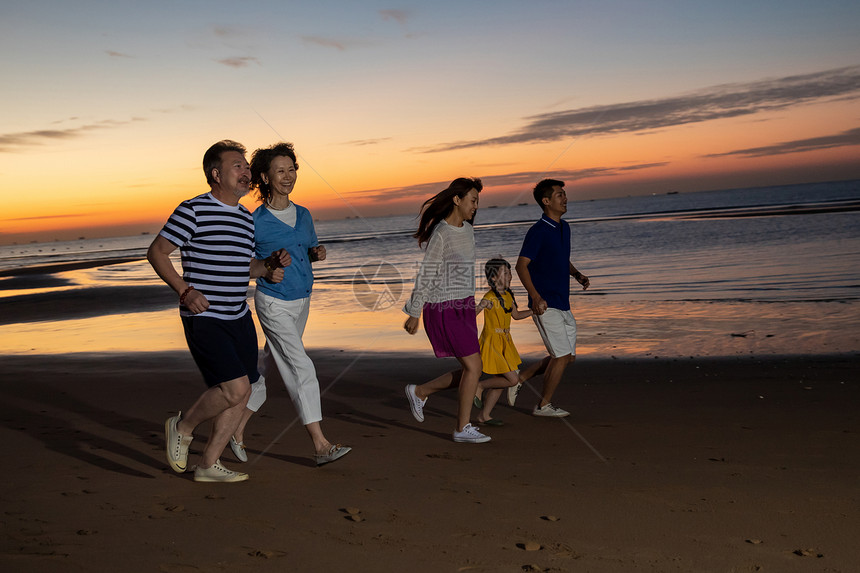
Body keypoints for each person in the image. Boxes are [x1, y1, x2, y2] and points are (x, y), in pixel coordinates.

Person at [147, 140, 288, 482]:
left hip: (238, 316)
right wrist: (185, 290)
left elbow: (244, 268)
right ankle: (183, 427)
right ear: (216, 174)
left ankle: (208, 464)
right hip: (205, 317)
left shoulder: (244, 218)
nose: (246, 171)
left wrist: (266, 266)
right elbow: (157, 253)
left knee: (247, 389)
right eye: (237, 165)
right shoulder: (193, 210)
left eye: (246, 166)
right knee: (235, 390)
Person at [229, 142, 351, 466]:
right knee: (301, 367)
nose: (288, 176)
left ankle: (235, 428)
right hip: (273, 304)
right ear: (266, 178)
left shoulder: (305, 214)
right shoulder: (256, 221)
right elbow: (243, 263)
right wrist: (269, 265)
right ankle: (321, 444)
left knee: (266, 370)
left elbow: (306, 250)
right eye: (280, 171)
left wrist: (317, 254)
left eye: (291, 169)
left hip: (302, 302)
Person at [402, 177, 491, 444]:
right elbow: (427, 274)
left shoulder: (467, 230)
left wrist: (473, 306)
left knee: (471, 368)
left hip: (463, 305)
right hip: (443, 307)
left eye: (477, 201)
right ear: (457, 199)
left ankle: (420, 391)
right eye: (473, 200)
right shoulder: (441, 233)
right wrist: (415, 311)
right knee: (474, 367)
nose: (476, 205)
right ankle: (462, 428)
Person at [515, 178, 590, 417]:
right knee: (560, 356)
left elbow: (560, 259)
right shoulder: (538, 231)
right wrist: (535, 297)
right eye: (559, 195)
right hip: (545, 305)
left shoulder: (564, 227)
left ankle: (522, 377)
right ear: (546, 201)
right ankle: (542, 405)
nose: (565, 198)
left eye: (564, 194)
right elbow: (521, 266)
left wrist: (576, 273)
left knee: (569, 358)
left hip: (563, 302)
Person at [471, 257, 548, 425]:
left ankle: (484, 416)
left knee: (501, 381)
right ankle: (480, 386)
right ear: (493, 278)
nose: (510, 275)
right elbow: (473, 314)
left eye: (510, 272)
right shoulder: (489, 297)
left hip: (505, 342)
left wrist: (534, 311)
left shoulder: (508, 296)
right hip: (492, 342)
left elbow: (516, 315)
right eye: (505, 273)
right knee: (513, 379)